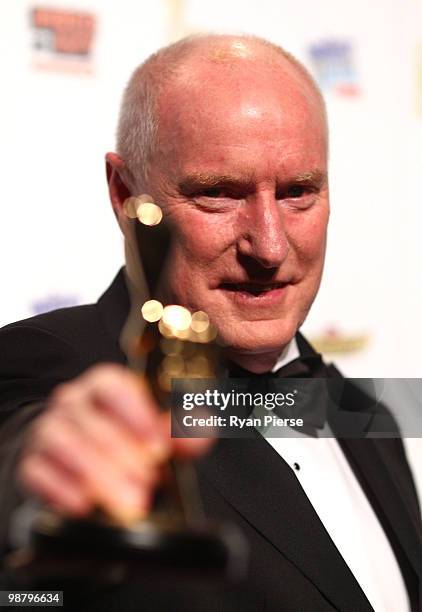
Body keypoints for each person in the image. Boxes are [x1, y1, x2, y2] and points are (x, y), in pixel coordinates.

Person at [0, 34, 421, 611]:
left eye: (299, 192)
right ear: (126, 194)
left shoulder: (364, 414)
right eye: (219, 194)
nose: (269, 247)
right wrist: (35, 473)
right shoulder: (46, 367)